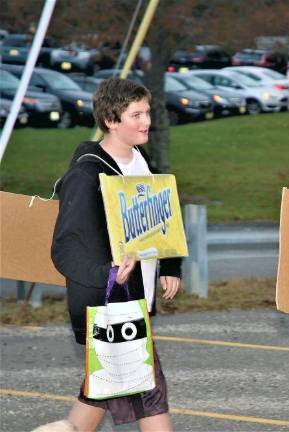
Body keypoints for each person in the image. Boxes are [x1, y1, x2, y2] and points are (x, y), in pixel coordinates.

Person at [51, 78, 182, 431]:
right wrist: (105, 273)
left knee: (104, 390)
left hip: (135, 300)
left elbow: (158, 220)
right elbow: (64, 247)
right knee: (150, 390)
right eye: (135, 114)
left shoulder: (141, 161)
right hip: (107, 302)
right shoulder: (86, 174)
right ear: (111, 120)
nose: (146, 121)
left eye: (147, 112)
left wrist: (170, 263)